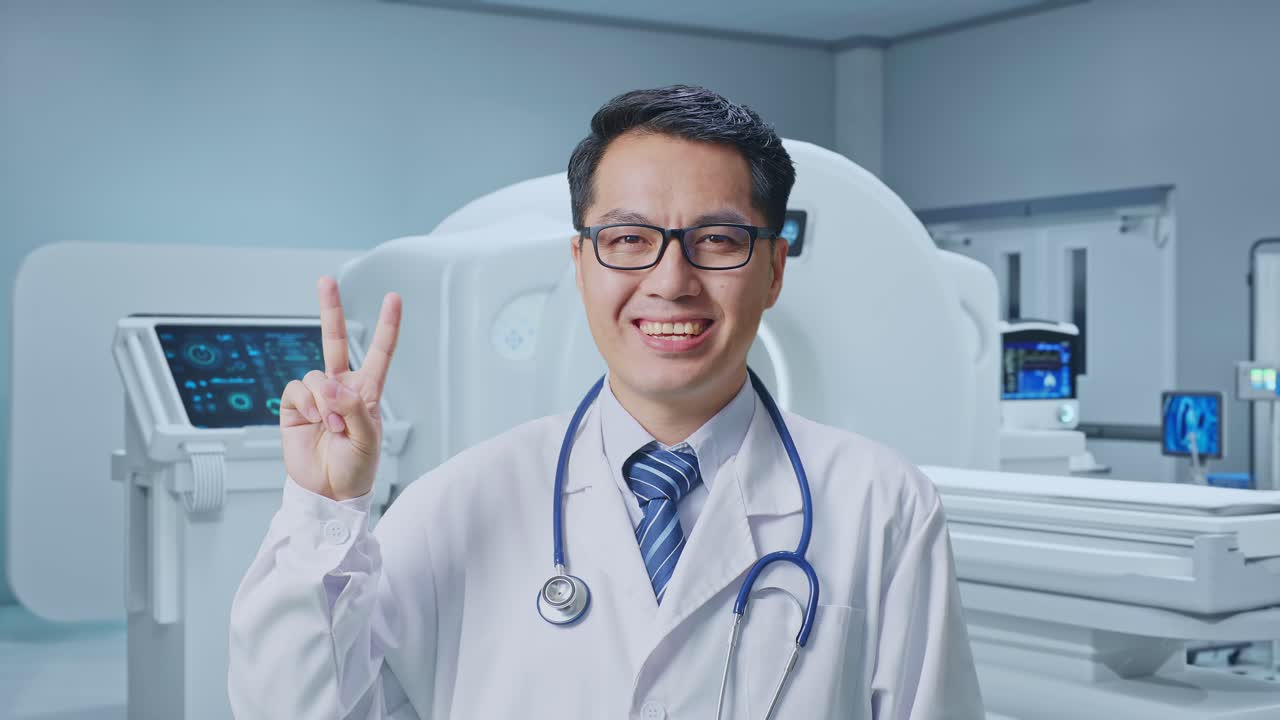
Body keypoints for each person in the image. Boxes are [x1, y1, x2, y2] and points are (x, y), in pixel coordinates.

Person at [228, 85, 984, 719]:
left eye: (717, 240)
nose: (671, 280)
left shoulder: (880, 506)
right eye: (628, 239)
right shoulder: (462, 499)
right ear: (581, 262)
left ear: (774, 269)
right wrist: (323, 513)